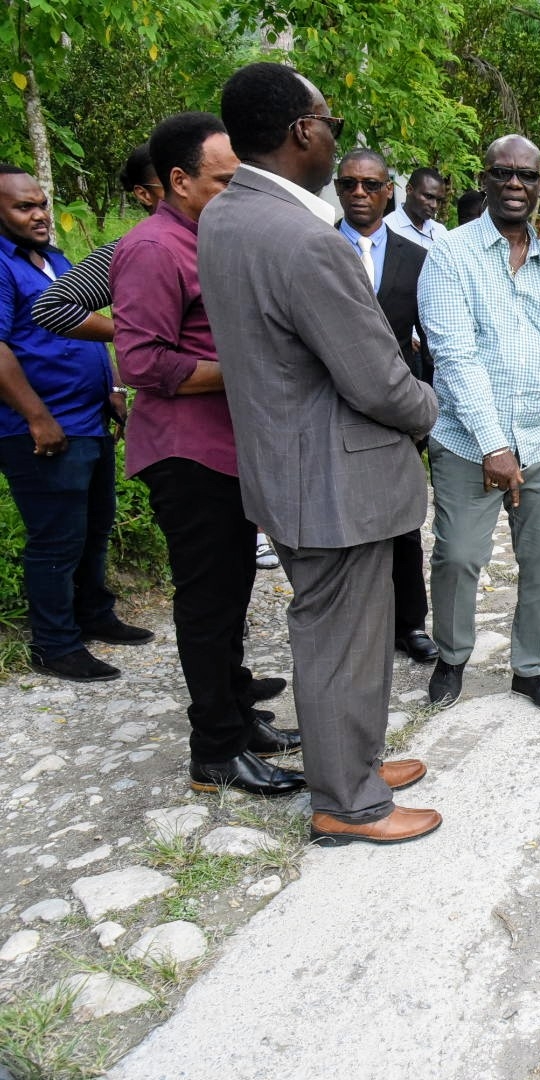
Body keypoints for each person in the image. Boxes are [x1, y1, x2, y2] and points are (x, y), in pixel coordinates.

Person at [199, 62, 442, 847]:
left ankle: (357, 760)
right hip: (336, 481)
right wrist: (431, 413)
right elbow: (376, 377)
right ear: (304, 130)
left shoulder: (227, 215)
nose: (335, 135)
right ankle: (349, 801)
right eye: (329, 120)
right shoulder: (306, 240)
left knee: (350, 634)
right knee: (340, 640)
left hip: (287, 469)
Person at [109, 111, 304, 796]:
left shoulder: (213, 237)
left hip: (231, 449)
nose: (237, 192)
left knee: (233, 595)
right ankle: (215, 751)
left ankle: (239, 714)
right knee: (207, 604)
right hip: (188, 457)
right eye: (224, 182)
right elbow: (142, 363)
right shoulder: (154, 249)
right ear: (178, 181)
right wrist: (250, 362)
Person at [417, 135, 540, 715]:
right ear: (484, 179)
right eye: (502, 173)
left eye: (527, 177)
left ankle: (531, 668)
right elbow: (453, 357)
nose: (514, 185)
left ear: (539, 188)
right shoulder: (451, 254)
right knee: (458, 555)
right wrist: (495, 444)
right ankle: (452, 657)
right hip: (469, 442)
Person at [0, 164, 152, 682]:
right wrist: (36, 416)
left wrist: (112, 387)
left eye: (41, 203)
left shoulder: (54, 259)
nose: (40, 214)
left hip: (88, 417)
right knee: (56, 537)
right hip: (42, 426)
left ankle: (95, 615)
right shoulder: (2, 266)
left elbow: (82, 329)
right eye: (24, 207)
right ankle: (54, 643)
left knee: (94, 525)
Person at [333, 147, 439, 665]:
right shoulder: (316, 248)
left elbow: (432, 340)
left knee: (402, 521)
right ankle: (356, 624)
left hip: (398, 410)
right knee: (343, 521)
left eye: (370, 185)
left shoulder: (414, 258)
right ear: (337, 187)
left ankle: (410, 623)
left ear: (387, 191)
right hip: (331, 409)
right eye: (349, 184)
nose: (359, 193)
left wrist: (428, 410)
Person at [30, 144, 163, 340]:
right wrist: (141, 337)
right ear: (144, 194)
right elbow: (51, 308)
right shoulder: (137, 249)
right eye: (176, 183)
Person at [383, 166, 448, 249]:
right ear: (409, 189)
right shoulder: (387, 228)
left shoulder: (440, 231)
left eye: (439, 200)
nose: (434, 205)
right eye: (428, 196)